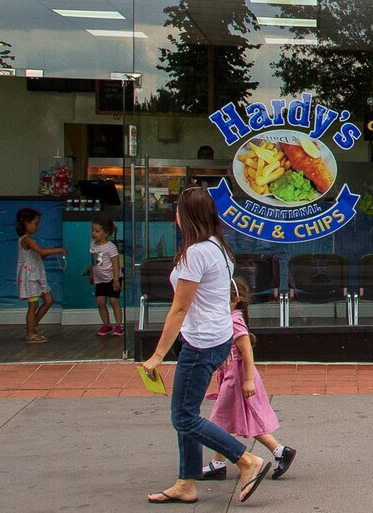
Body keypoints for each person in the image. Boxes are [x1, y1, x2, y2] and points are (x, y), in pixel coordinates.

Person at [141, 186, 269, 506]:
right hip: (216, 337)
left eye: (177, 210)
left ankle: (245, 461)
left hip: (200, 343)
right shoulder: (217, 247)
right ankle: (186, 483)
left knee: (183, 416)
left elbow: (179, 309)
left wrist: (157, 355)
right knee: (188, 410)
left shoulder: (195, 253)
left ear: (184, 217)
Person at [198, 278, 297, 482]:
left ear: (235, 300)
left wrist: (248, 380)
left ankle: (221, 464)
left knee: (218, 422)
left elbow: (246, 351)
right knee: (228, 420)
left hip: (238, 378)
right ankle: (279, 451)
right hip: (233, 377)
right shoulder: (229, 318)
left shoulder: (234, 320)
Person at [15, 206, 64, 345]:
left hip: (36, 275)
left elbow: (37, 255)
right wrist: (59, 250)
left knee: (48, 299)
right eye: (35, 223)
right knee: (33, 305)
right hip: (30, 277)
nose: (37, 226)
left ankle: (33, 324)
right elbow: (41, 252)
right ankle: (30, 333)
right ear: (25, 223)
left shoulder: (30, 240)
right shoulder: (26, 240)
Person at [85, 217, 124, 337]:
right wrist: (92, 274)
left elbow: (115, 263)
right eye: (93, 230)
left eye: (97, 231)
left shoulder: (110, 247)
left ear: (106, 233)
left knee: (113, 300)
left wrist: (116, 279)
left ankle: (119, 325)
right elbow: (95, 262)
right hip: (100, 279)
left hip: (113, 278)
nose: (93, 233)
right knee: (100, 302)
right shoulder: (93, 245)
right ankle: (106, 324)